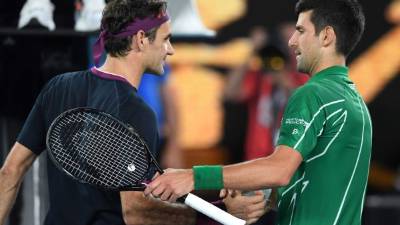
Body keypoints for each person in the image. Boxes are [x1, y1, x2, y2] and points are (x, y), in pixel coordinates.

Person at [0, 0, 268, 224]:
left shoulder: (58, 86)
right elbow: (136, 211)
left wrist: (215, 203)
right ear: (141, 39)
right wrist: (218, 214)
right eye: (166, 40)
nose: (171, 50)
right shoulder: (137, 112)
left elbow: (10, 171)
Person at [144, 1, 372, 225]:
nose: (292, 41)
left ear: (326, 36)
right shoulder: (354, 100)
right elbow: (316, 182)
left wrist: (192, 177)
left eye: (300, 31)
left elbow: (279, 170)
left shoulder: (312, 94)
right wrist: (263, 196)